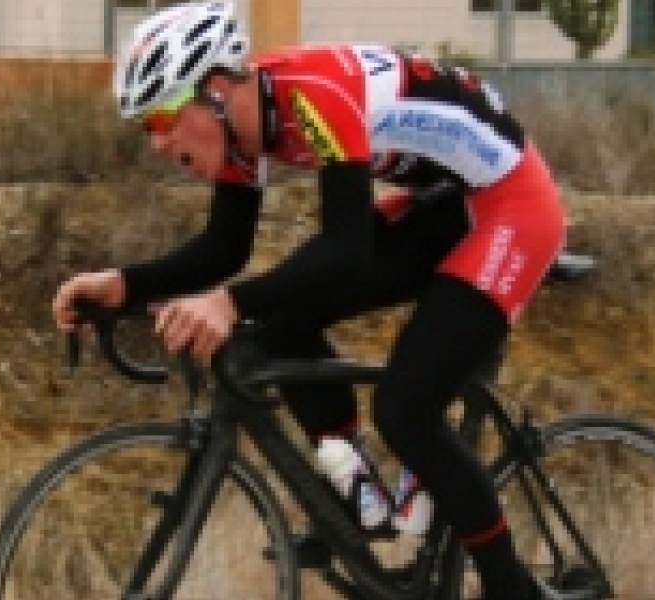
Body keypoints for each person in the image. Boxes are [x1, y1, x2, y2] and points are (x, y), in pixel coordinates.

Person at [49, 2, 566, 599]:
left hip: (511, 207)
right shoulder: (242, 125)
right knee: (277, 322)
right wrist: (125, 285)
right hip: (446, 203)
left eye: (164, 118)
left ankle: (511, 586)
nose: (159, 143)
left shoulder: (313, 95)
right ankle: (358, 496)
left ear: (216, 89)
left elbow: (346, 248)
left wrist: (226, 304)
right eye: (147, 128)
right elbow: (226, 247)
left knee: (406, 408)